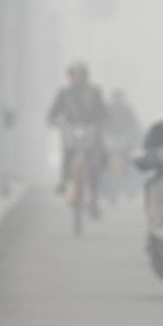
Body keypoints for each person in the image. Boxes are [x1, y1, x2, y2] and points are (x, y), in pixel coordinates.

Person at [47, 61, 109, 215]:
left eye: (79, 75)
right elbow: (54, 110)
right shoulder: (64, 93)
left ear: (85, 76)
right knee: (67, 154)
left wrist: (102, 122)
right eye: (74, 75)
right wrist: (52, 119)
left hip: (90, 130)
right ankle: (63, 181)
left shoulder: (94, 91)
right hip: (70, 130)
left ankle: (93, 200)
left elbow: (103, 111)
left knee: (94, 162)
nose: (77, 78)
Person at [103, 88, 142, 199]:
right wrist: (104, 136)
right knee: (102, 164)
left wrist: (131, 137)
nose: (117, 100)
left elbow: (134, 125)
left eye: (119, 98)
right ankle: (103, 188)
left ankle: (131, 188)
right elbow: (102, 125)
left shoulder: (128, 110)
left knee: (132, 164)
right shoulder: (106, 110)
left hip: (125, 143)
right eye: (116, 98)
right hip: (110, 143)